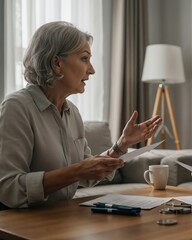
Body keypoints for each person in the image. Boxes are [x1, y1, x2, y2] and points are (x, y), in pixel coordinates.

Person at [0, 21, 162, 209]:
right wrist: (76, 171)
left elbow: (87, 174)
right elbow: (8, 188)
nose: (91, 70)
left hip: (64, 217)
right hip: (24, 224)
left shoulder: (72, 112)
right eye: (84, 59)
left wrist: (122, 144)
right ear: (57, 63)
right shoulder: (17, 107)